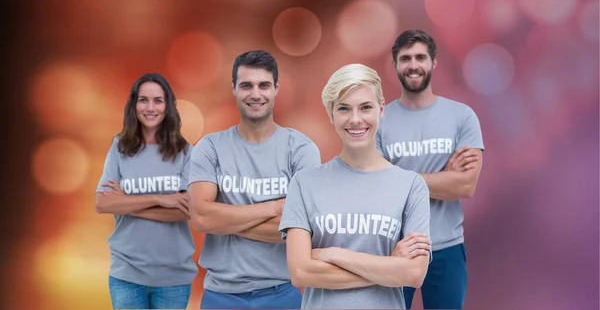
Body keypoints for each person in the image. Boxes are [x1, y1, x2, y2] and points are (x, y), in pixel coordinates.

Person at [279, 63, 432, 309]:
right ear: (330, 114)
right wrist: (388, 265)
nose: (355, 119)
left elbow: (414, 274)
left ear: (381, 109)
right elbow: (300, 272)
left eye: (365, 107)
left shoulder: (411, 186)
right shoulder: (304, 183)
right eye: (343, 109)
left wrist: (334, 254)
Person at [187, 49, 321, 309]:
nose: (256, 94)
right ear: (234, 89)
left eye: (264, 85)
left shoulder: (301, 150)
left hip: (283, 293)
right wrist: (274, 208)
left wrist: (223, 219)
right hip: (220, 295)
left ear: (276, 88)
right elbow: (202, 217)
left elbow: (303, 232)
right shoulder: (210, 147)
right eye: (246, 85)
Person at [377, 29, 485, 310]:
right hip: (394, 249)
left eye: (420, 57)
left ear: (434, 63)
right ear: (395, 65)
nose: (413, 65)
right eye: (406, 58)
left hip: (446, 249)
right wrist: (443, 176)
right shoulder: (379, 122)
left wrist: (398, 178)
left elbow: (465, 186)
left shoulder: (462, 116)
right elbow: (375, 188)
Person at [95, 73, 198, 309]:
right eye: (143, 100)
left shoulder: (185, 152)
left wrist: (127, 202)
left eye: (158, 101)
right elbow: (102, 203)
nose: (150, 108)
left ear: (168, 106)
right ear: (134, 105)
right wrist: (161, 199)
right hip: (127, 275)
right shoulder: (119, 147)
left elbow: (188, 210)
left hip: (174, 277)